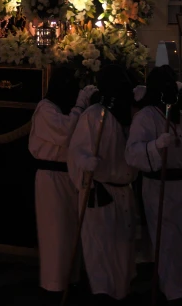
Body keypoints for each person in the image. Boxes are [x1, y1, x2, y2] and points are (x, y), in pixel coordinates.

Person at [126, 65, 182, 304]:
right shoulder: (146, 117)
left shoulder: (179, 114)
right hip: (160, 185)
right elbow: (133, 153)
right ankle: (173, 290)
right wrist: (156, 146)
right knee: (166, 240)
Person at [67, 64, 137, 302]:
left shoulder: (127, 114)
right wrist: (86, 162)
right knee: (101, 250)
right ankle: (103, 294)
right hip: (101, 192)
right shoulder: (93, 115)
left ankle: (121, 292)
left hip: (124, 192)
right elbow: (76, 151)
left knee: (122, 249)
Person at [29, 66, 97, 295]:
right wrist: (79, 106)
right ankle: (54, 284)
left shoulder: (63, 109)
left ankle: (71, 278)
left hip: (69, 176)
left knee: (71, 231)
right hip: (51, 178)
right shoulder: (46, 109)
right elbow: (66, 133)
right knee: (56, 233)